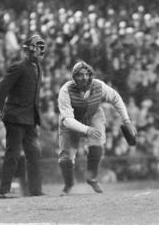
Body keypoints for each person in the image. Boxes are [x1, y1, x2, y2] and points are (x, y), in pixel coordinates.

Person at [57, 61, 136, 195]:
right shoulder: (65, 90)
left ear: (91, 75)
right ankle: (69, 184)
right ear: (74, 77)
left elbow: (116, 98)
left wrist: (126, 120)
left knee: (97, 143)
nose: (84, 78)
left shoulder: (99, 86)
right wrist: (86, 129)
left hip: (93, 115)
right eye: (80, 75)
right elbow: (68, 120)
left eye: (86, 75)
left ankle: (91, 177)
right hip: (71, 120)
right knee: (66, 157)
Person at [0, 34, 46, 198]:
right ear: (29, 50)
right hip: (15, 117)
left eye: (41, 49)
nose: (39, 52)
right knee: (13, 153)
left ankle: (35, 190)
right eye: (36, 48)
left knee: (34, 154)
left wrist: (36, 119)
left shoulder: (38, 68)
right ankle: (4, 191)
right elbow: (2, 89)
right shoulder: (19, 67)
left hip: (29, 118)